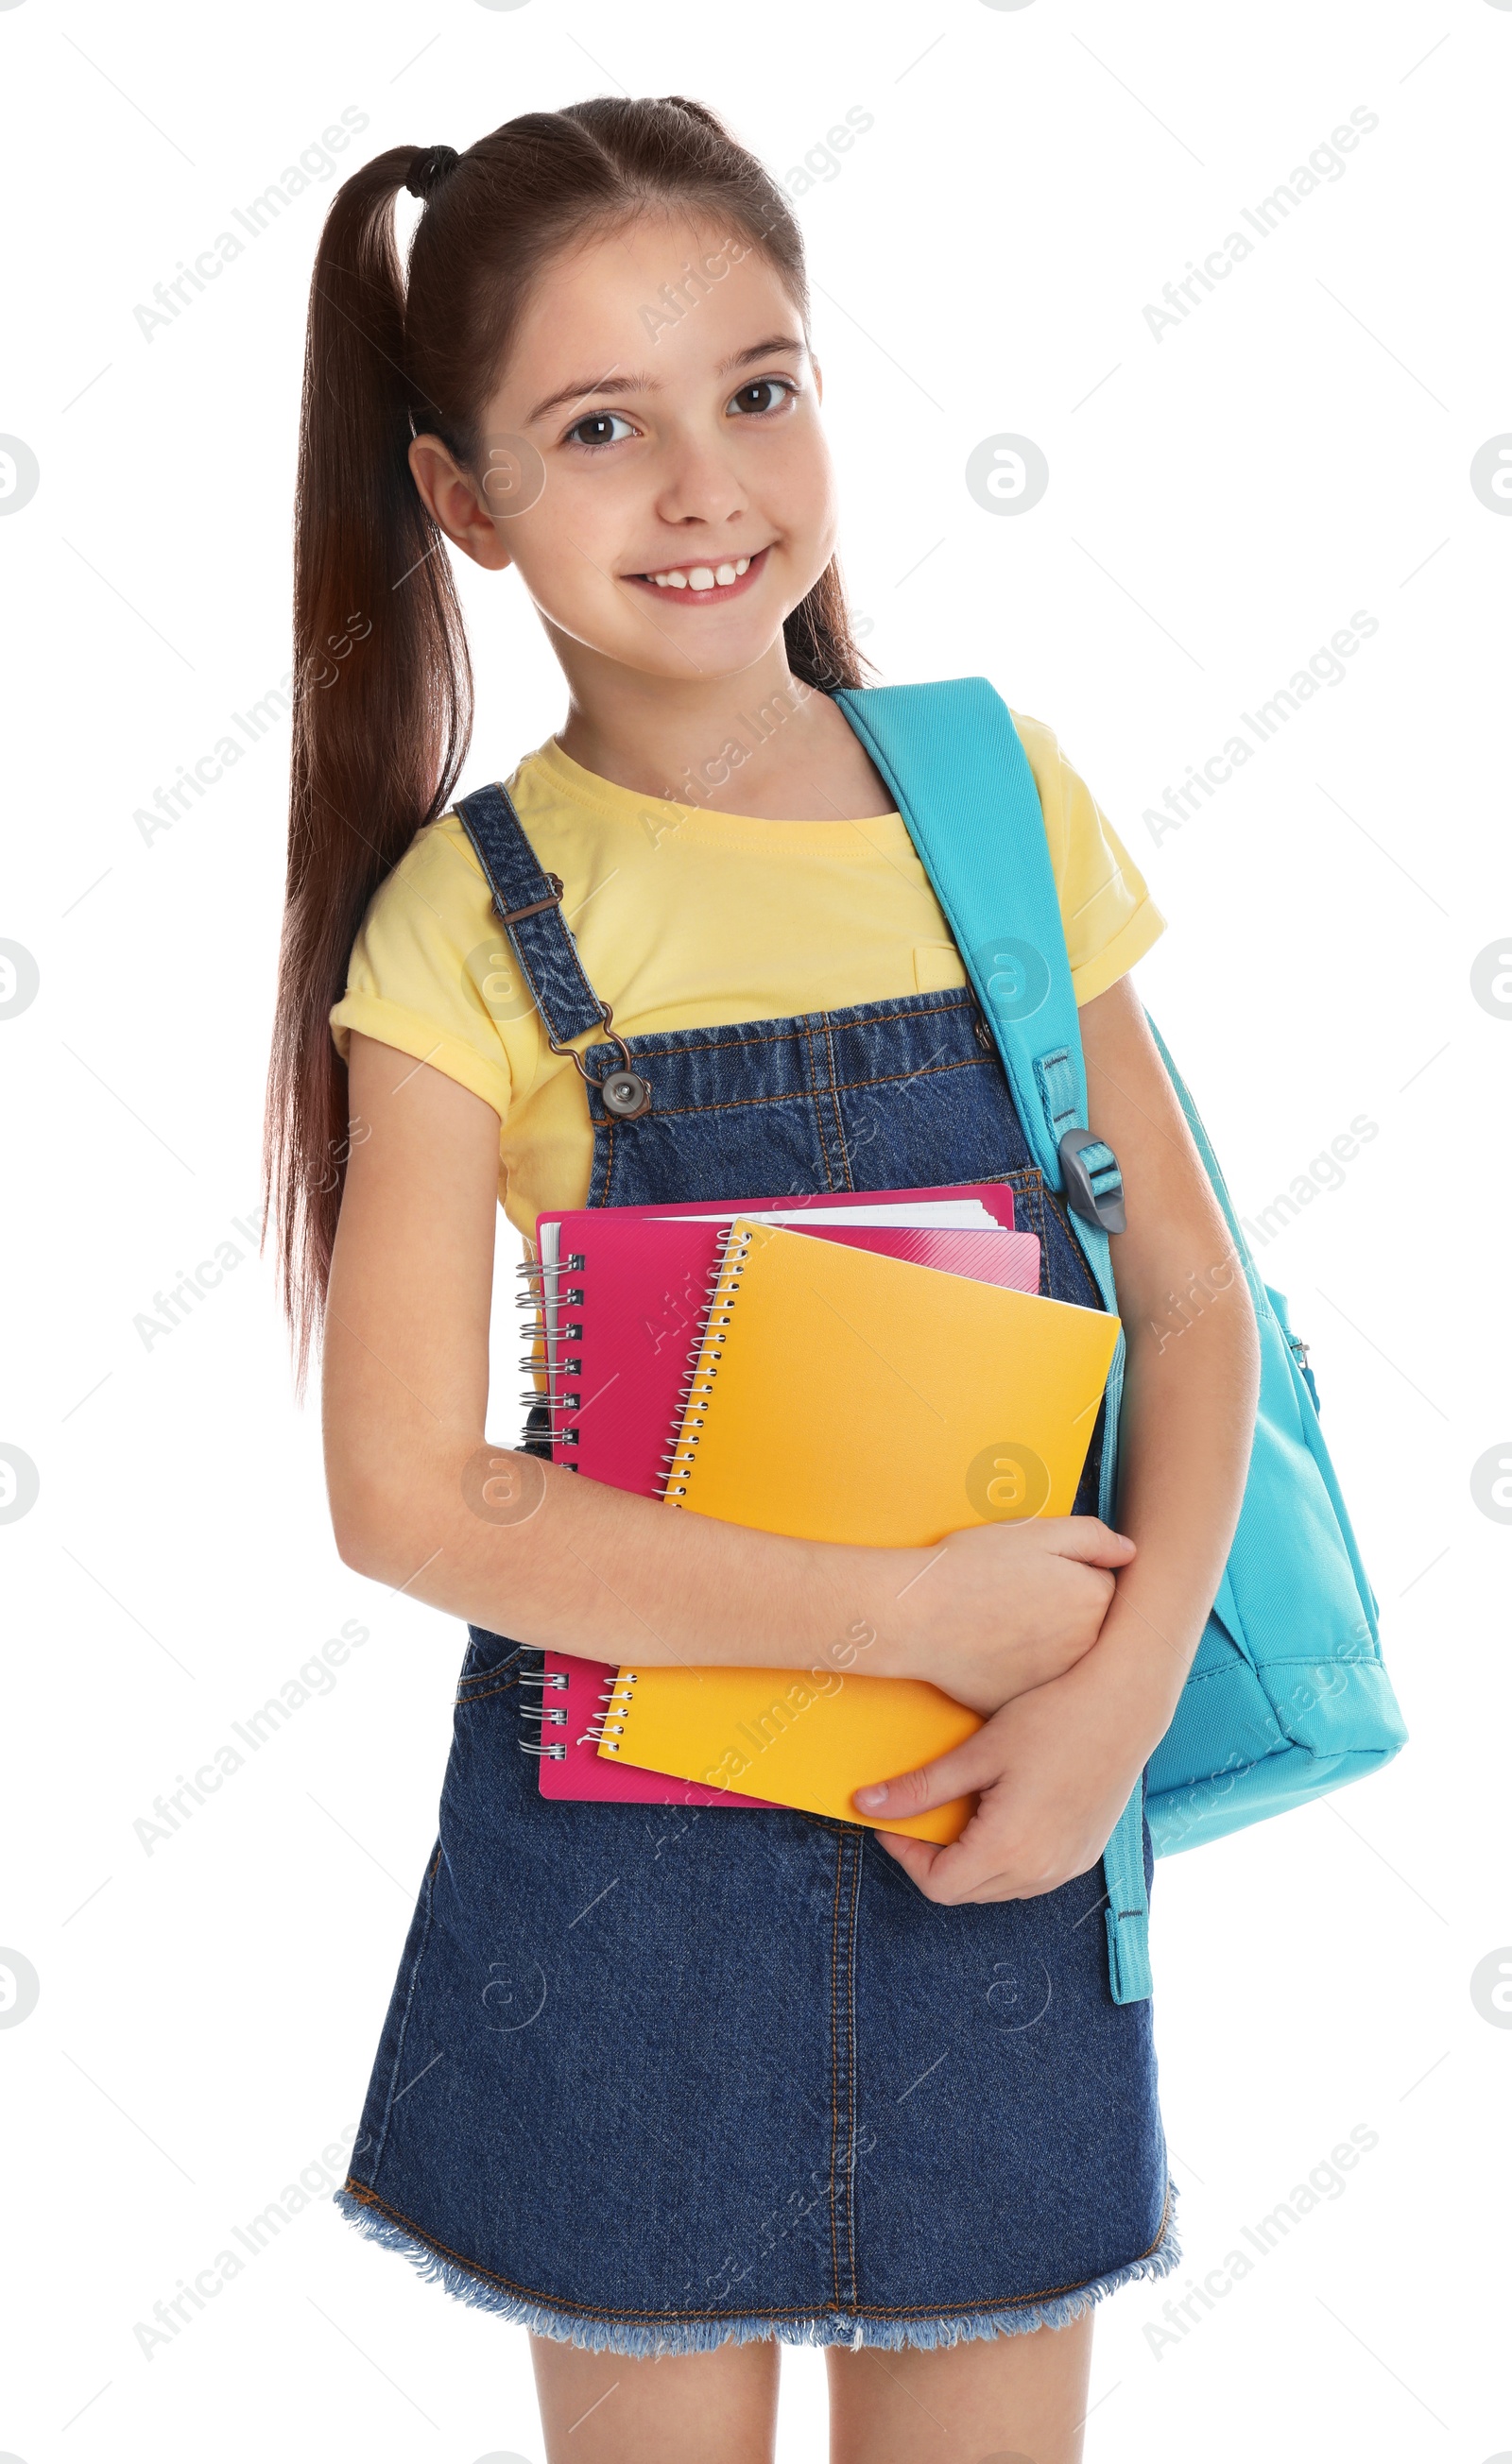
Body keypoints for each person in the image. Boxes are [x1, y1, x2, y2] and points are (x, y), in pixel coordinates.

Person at [264, 94, 1260, 2464]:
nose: (706, 484)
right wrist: (918, 1614)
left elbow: (1196, 1307)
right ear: (465, 501)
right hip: (621, 1893)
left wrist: (1105, 1712)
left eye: (759, 385)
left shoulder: (987, 800)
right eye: (600, 427)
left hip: (1001, 1816)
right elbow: (407, 1496)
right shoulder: (463, 924)